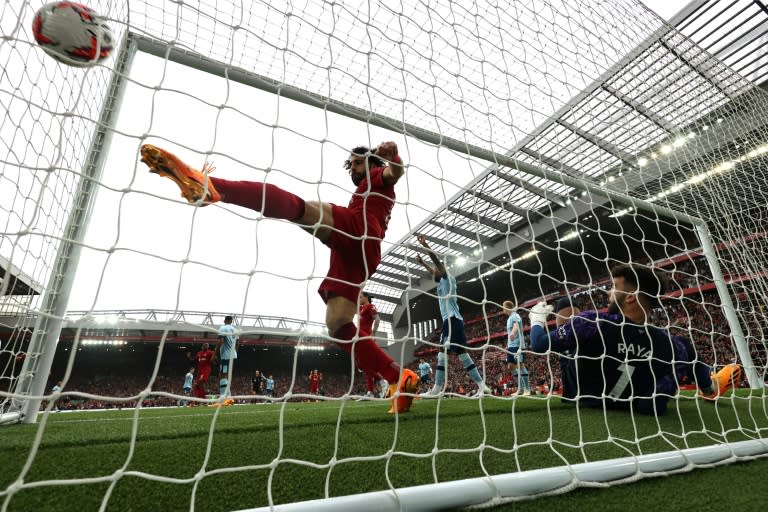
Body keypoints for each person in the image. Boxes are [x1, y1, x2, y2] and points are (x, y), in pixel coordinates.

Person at [141, 141, 418, 413]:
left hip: (358, 230)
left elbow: (394, 173)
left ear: (372, 164)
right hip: (359, 254)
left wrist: (393, 159)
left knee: (301, 209)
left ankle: (214, 187)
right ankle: (398, 377)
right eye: (352, 164)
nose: (353, 168)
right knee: (338, 324)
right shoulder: (366, 189)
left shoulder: (376, 177)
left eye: (358, 162)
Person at [528, 263, 742, 415]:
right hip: (634, 401)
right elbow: (650, 408)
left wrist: (536, 319)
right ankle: (710, 386)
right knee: (683, 350)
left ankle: (710, 385)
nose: (608, 294)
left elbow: (538, 345)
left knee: (572, 342)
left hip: (587, 402)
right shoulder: (673, 346)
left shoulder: (591, 323)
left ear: (630, 296)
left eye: (614, 288)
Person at [415, 234, 492, 397]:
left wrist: (426, 245)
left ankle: (436, 389)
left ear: (442, 269)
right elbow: (434, 270)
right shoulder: (441, 280)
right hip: (456, 321)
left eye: (436, 269)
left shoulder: (447, 277)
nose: (433, 272)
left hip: (451, 321)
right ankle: (482, 385)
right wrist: (423, 264)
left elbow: (437, 264)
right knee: (463, 355)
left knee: (442, 353)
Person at [503, 300, 530, 395]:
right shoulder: (509, 317)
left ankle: (527, 389)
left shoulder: (515, 315)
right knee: (510, 366)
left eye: (503, 307)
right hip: (512, 345)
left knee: (520, 365)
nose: (503, 309)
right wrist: (508, 344)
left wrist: (513, 333)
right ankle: (521, 389)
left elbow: (516, 326)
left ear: (507, 307)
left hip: (518, 345)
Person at [216, 315, 238, 404]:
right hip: (233, 356)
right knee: (226, 375)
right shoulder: (235, 330)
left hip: (225, 355)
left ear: (225, 320)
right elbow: (237, 344)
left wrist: (215, 354)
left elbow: (221, 341)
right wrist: (234, 353)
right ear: (231, 321)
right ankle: (229, 397)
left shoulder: (223, 328)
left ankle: (223, 398)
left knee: (223, 375)